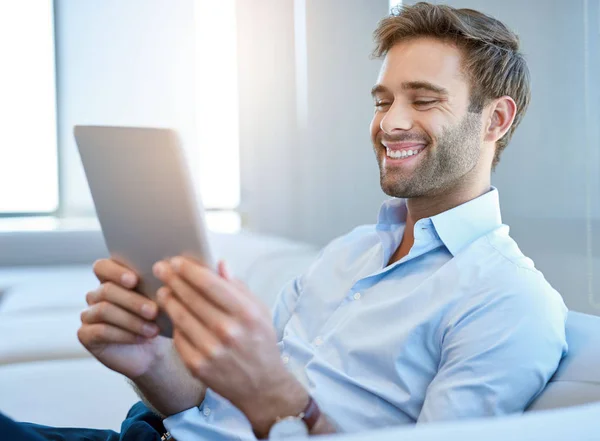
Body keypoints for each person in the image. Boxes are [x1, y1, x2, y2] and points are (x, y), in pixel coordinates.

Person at [8, 2, 568, 440]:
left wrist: (279, 401)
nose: (391, 122)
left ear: (495, 119)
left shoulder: (509, 301)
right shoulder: (348, 253)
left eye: (423, 101)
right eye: (382, 101)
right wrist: (149, 361)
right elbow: (208, 404)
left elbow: (261, 402)